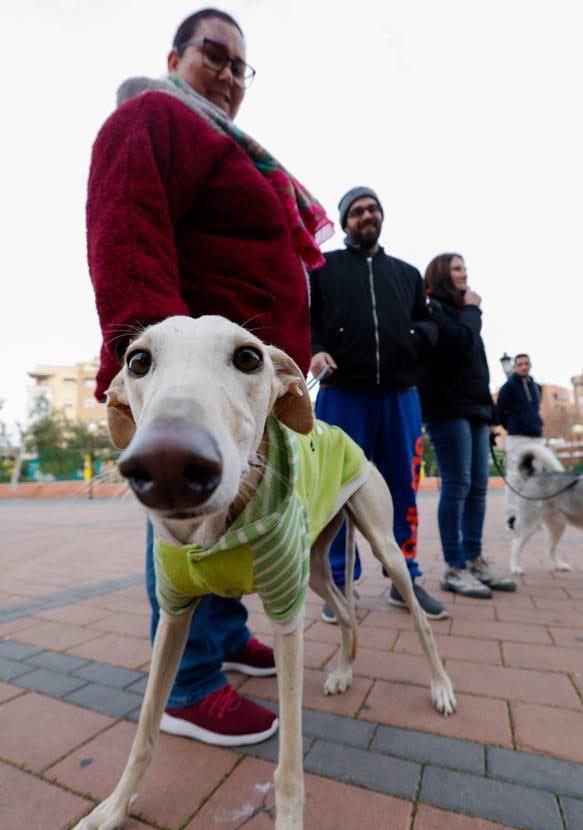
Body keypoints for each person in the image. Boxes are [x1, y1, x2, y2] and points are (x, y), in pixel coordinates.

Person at [86, 8, 331, 745]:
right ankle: (187, 684)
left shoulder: (231, 149)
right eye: (212, 56)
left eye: (238, 67)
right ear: (174, 56)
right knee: (188, 491)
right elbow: (126, 228)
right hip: (199, 373)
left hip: (243, 380)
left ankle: (221, 637)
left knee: (238, 501)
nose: (226, 76)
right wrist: (156, 371)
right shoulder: (154, 117)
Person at [309, 187, 448, 621]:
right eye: (355, 211)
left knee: (402, 490)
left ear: (381, 216)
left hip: (400, 395)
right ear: (345, 221)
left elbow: (429, 324)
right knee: (334, 490)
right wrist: (314, 352)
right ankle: (338, 583)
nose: (365, 215)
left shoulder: (407, 274)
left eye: (372, 209)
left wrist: (413, 340)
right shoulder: (323, 270)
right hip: (341, 393)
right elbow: (307, 321)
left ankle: (403, 576)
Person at [418, 253, 516, 598]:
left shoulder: (462, 315)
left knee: (477, 486)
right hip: (447, 410)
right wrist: (474, 311)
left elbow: (478, 368)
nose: (465, 274)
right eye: (458, 268)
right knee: (457, 485)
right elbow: (457, 346)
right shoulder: (433, 309)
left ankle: (474, 559)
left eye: (465, 268)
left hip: (474, 410)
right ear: (443, 274)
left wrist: (490, 418)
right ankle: (454, 566)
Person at [496, 354, 544, 530]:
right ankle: (512, 516)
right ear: (515, 367)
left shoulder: (537, 387)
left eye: (526, 363)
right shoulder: (508, 387)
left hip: (536, 435)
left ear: (530, 364)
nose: (524, 367)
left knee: (535, 476)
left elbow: (536, 408)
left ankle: (533, 515)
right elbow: (500, 411)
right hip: (517, 436)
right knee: (515, 475)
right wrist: (512, 427)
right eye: (520, 364)